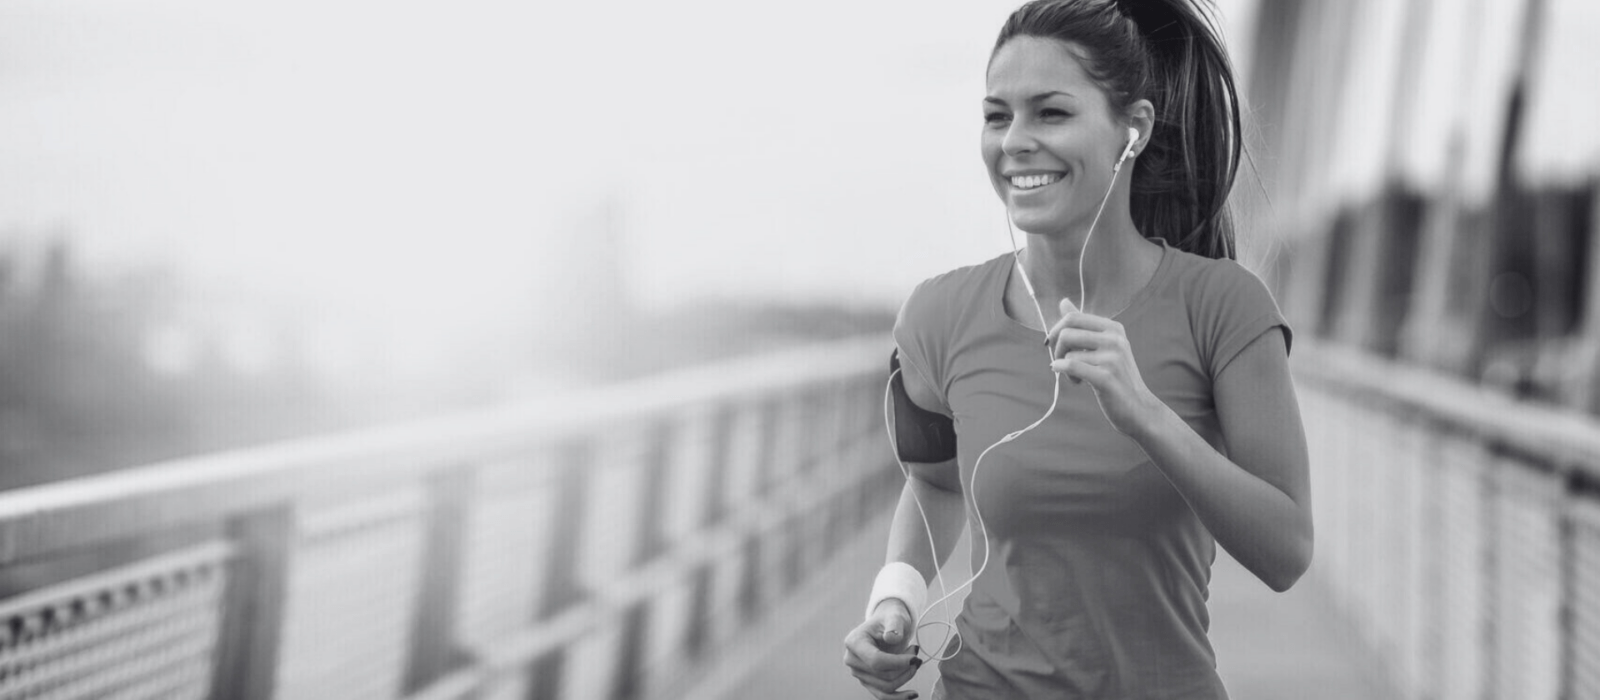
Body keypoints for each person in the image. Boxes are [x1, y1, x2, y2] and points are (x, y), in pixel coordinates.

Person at [841, 0, 1313, 698]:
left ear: (1134, 130)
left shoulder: (1224, 306)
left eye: (1051, 113)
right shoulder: (938, 313)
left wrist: (1147, 416)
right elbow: (936, 484)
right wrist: (896, 602)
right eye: (997, 116)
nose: (1016, 141)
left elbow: (1287, 552)